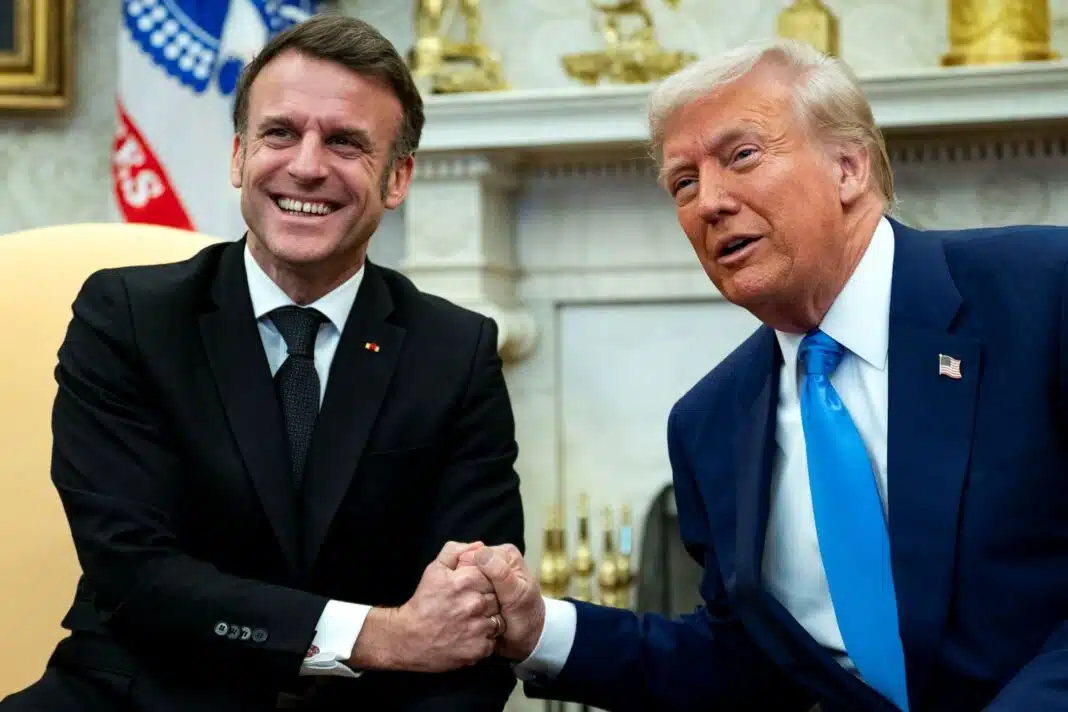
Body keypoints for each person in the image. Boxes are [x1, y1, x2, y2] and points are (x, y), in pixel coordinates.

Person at [455, 39, 1068, 712]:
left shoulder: (1042, 294)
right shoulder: (709, 422)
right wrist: (539, 629)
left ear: (848, 167)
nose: (709, 203)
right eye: (683, 183)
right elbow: (741, 664)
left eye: (742, 155)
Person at [1, 14, 522, 712]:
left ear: (397, 177)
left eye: (344, 142)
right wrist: (378, 636)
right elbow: (135, 574)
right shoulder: (127, 319)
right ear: (238, 156)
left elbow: (471, 620)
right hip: (137, 698)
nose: (306, 165)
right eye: (280, 133)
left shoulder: (454, 351)